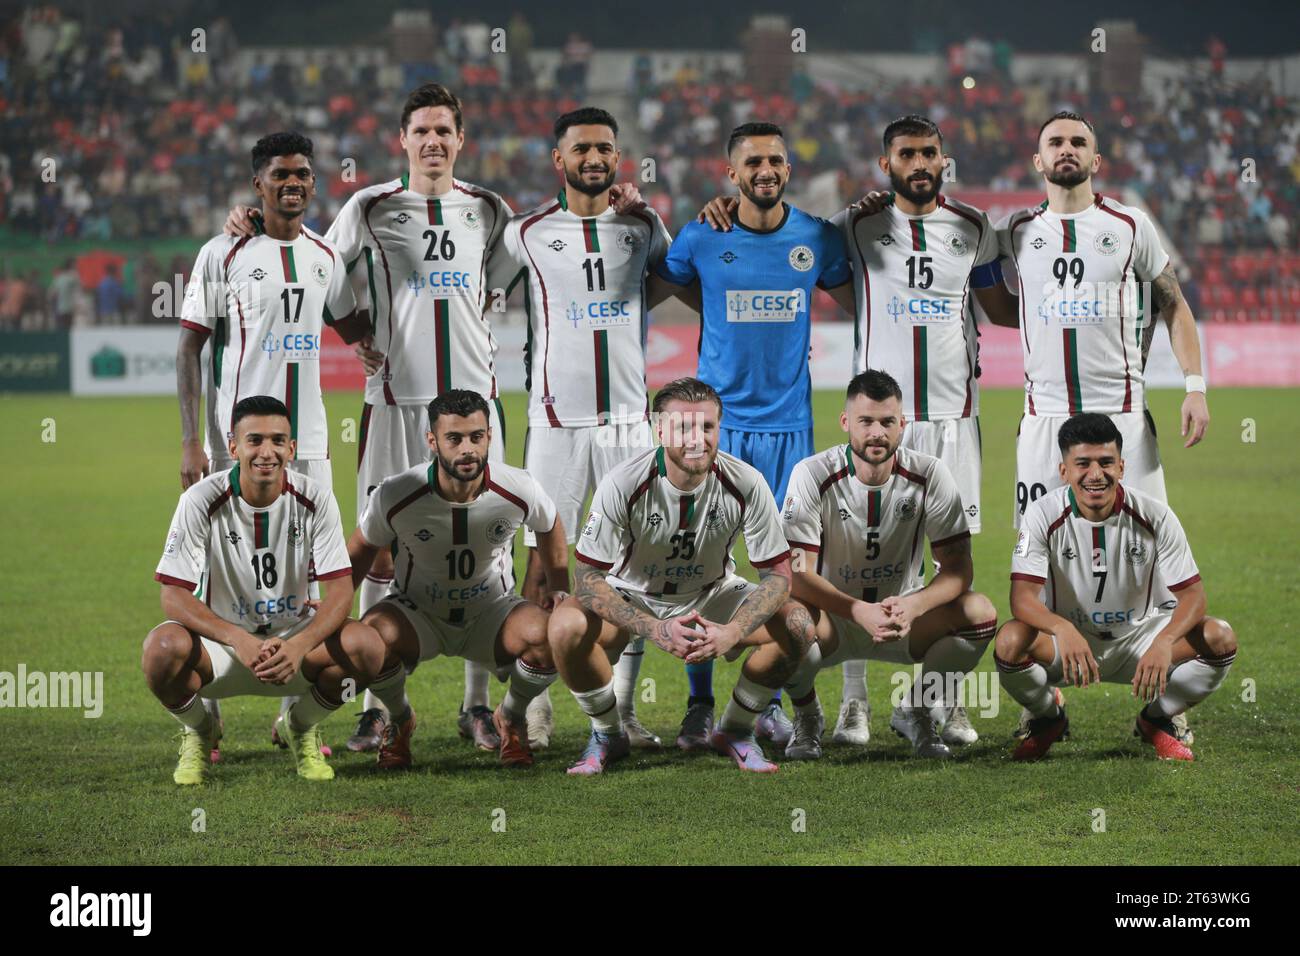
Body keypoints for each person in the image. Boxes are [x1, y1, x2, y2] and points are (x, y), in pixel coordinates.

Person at [992, 111, 1210, 743]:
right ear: (1037, 161)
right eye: (1055, 142)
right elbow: (993, 293)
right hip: (1043, 423)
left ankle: (1166, 696)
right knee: (1038, 560)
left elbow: (1175, 306)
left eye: (1078, 142)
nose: (1067, 150)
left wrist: (1194, 387)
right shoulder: (1017, 231)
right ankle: (1043, 703)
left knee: (1150, 557)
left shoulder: (1129, 225)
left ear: (1096, 158)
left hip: (1123, 422)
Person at [491, 106, 690, 750]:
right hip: (555, 424)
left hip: (631, 424)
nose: (595, 158)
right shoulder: (526, 233)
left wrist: (652, 215)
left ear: (618, 155)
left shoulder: (641, 226)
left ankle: (623, 708)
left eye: (605, 147)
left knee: (634, 570)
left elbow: (671, 283)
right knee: (544, 566)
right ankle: (530, 703)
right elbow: (477, 287)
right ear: (560, 159)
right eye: (582, 149)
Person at [652, 122, 854, 749]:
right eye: (752, 162)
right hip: (714, 430)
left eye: (775, 160)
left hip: (792, 428)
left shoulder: (817, 237)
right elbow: (667, 284)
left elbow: (863, 297)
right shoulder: (701, 236)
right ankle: (699, 703)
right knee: (702, 567)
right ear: (731, 173)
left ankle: (769, 701)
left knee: (786, 573)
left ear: (788, 169)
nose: (765, 170)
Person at [178, 131, 366, 755]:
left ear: (314, 183)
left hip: (308, 440)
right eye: (281, 173)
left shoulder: (324, 256)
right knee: (215, 572)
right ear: (258, 183)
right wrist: (191, 443)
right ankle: (206, 714)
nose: (295, 182)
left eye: (304, 174)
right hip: (236, 445)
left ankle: (297, 721)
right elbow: (189, 347)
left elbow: (351, 320)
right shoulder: (222, 252)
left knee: (309, 575)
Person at [548, 377, 806, 775]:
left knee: (800, 625)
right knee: (565, 625)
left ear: (720, 427)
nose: (697, 439)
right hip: (634, 594)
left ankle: (735, 730)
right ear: (660, 429)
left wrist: (734, 631)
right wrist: (654, 628)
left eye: (707, 427)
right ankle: (606, 733)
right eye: (684, 427)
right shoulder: (622, 482)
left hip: (711, 593)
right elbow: (585, 579)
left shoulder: (746, 482)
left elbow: (778, 576)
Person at [143, 396, 386, 784]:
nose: (266, 452)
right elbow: (172, 594)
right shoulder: (199, 500)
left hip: (293, 647)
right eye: (255, 440)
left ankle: (301, 726)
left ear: (292, 448)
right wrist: (237, 638)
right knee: (161, 651)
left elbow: (340, 591)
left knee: (368, 648)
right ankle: (200, 731)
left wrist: (299, 644)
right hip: (223, 650)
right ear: (233, 446)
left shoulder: (315, 498)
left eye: (278, 440)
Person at [345, 390, 569, 769]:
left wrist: (559, 584)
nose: (467, 449)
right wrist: (335, 614)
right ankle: (399, 720)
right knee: (368, 640)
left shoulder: (517, 487)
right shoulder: (397, 493)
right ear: (432, 441)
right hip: (418, 613)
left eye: (476, 437)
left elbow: (549, 526)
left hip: (491, 613)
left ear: (489, 437)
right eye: (454, 439)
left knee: (550, 636)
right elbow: (360, 551)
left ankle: (511, 716)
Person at [780, 370, 997, 759]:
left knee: (979, 613)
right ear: (846, 422)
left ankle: (916, 709)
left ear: (903, 425)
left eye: (887, 422)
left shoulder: (930, 473)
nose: (877, 433)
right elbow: (796, 574)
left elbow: (959, 568)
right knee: (786, 619)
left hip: (904, 619)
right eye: (865, 421)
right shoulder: (811, 474)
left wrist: (915, 605)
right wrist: (856, 610)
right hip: (835, 619)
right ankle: (808, 715)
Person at [996, 413, 1236, 761]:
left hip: (1141, 639)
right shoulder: (1041, 515)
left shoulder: (1156, 516)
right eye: (1083, 463)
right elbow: (1022, 598)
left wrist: (1165, 641)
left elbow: (1193, 596)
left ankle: (1157, 718)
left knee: (1220, 638)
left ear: (1122, 467)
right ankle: (1048, 717)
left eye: (1106, 462)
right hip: (1070, 645)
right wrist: (1062, 628)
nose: (1096, 474)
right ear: (1064, 471)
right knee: (1009, 642)